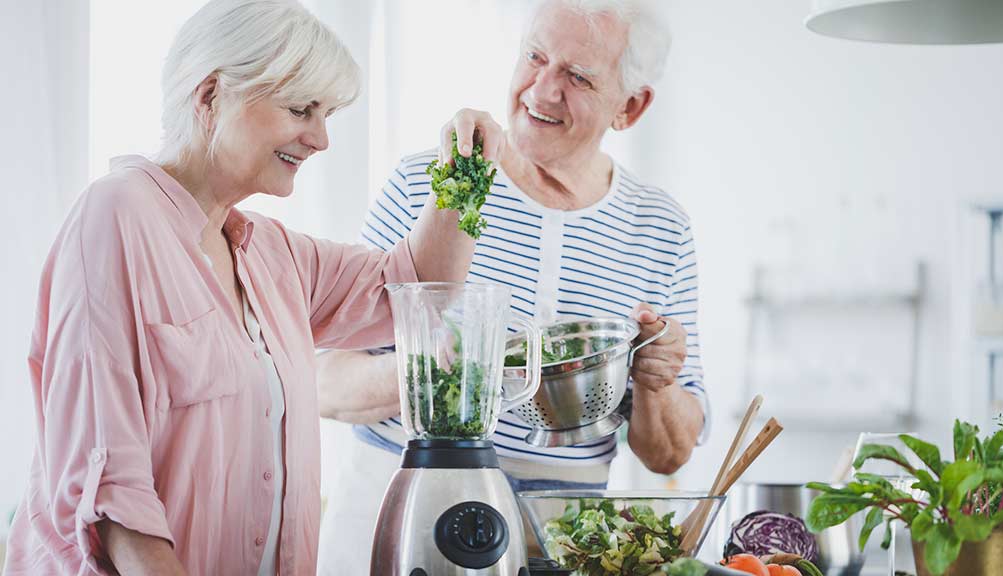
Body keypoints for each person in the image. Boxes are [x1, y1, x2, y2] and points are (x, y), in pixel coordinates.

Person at [1, 1, 476, 574]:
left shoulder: (274, 254)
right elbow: (112, 494)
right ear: (210, 97)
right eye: (302, 109)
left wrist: (465, 175)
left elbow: (419, 290)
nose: (321, 139)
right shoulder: (115, 217)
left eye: (326, 114)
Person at [316, 0, 710, 573]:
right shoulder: (438, 183)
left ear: (630, 106)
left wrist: (657, 383)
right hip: (397, 514)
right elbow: (324, 381)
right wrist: (433, 370)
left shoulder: (660, 228)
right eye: (535, 57)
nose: (542, 91)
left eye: (577, 77)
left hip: (561, 539)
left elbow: (670, 451)